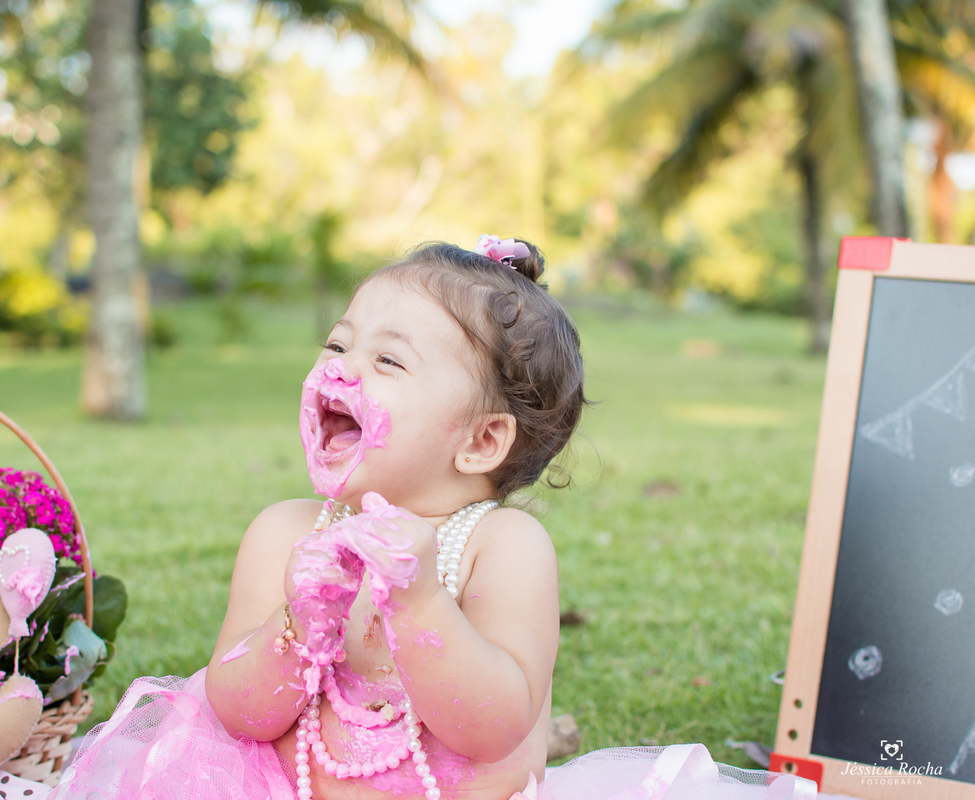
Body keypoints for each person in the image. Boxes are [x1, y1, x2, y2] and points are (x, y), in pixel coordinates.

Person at [51, 236, 819, 800]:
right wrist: (298, 623)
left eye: (388, 362)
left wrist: (419, 603)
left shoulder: (500, 547)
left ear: (481, 440)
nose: (341, 369)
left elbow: (497, 727)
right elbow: (239, 714)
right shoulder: (287, 534)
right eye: (337, 344)